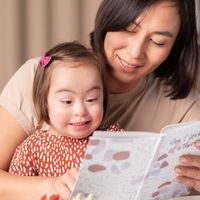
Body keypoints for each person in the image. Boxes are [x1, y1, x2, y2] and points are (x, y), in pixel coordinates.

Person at [0, 0, 199, 199]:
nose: (135, 52)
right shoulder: (43, 76)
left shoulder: (184, 106)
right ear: (109, 17)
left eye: (157, 41)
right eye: (128, 30)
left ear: (175, 45)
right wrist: (51, 185)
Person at [8, 41, 121, 199]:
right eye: (67, 101)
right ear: (45, 102)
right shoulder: (31, 149)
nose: (80, 111)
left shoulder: (113, 137)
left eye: (91, 99)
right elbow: (15, 195)